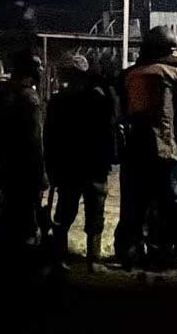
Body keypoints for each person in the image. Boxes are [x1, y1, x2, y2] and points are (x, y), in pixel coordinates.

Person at [121, 28, 177, 268]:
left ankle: (132, 252)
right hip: (166, 151)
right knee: (171, 204)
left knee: (136, 206)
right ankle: (172, 252)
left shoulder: (131, 74)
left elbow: (124, 114)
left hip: (136, 150)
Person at [44, 55, 117, 272]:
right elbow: (109, 130)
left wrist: (52, 167)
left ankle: (59, 258)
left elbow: (50, 137)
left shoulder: (58, 101)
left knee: (65, 212)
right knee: (95, 213)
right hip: (94, 165)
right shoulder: (100, 98)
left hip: (68, 165)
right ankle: (93, 261)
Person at [0, 51, 48, 266]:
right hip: (25, 168)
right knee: (25, 217)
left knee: (7, 211)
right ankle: (21, 263)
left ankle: (4, 257)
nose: (41, 70)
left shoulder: (1, 93)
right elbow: (34, 141)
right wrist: (41, 176)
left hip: (6, 165)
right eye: (38, 66)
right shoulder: (29, 99)